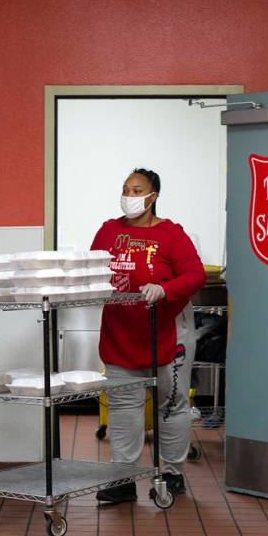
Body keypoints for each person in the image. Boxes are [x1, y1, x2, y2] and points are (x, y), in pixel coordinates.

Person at [90, 168, 206, 504]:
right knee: (124, 408)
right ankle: (123, 479)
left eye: (137, 189)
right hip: (120, 334)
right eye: (125, 188)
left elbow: (195, 275)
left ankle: (172, 473)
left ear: (153, 196)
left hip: (167, 335)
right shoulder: (108, 231)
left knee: (171, 406)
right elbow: (93, 268)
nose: (129, 195)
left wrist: (165, 289)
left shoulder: (171, 234)